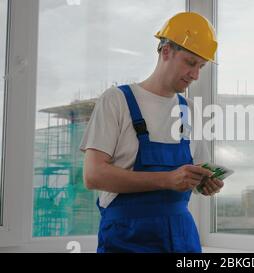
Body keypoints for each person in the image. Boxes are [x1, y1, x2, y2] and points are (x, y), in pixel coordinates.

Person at [79, 12, 223, 253]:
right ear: (166, 51)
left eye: (201, 66)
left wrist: (206, 182)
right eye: (190, 62)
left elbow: (194, 171)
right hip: (127, 238)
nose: (195, 74)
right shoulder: (117, 100)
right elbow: (93, 175)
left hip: (182, 237)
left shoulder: (189, 111)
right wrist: (166, 180)